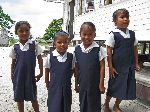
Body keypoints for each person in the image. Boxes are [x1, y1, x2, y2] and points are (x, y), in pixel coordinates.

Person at [104, 8, 140, 112]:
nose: (125, 19)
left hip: (128, 66)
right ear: (115, 21)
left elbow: (135, 49)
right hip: (117, 67)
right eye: (122, 17)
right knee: (113, 86)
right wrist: (110, 67)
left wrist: (136, 63)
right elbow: (109, 51)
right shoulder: (113, 34)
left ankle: (116, 105)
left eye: (127, 17)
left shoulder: (132, 34)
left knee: (125, 86)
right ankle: (106, 104)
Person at [9, 21, 43, 112]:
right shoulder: (14, 47)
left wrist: (41, 73)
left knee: (33, 96)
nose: (24, 33)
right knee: (19, 97)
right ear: (16, 32)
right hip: (18, 76)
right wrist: (12, 75)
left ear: (29, 31)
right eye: (21, 31)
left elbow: (40, 59)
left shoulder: (34, 45)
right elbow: (13, 63)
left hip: (30, 76)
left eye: (27, 30)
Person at [74, 22, 106, 112]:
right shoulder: (77, 49)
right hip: (83, 83)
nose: (87, 37)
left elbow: (102, 67)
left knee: (94, 103)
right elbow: (76, 68)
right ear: (79, 34)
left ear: (94, 35)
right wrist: (76, 83)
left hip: (94, 84)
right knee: (83, 102)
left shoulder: (99, 49)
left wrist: (101, 84)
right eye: (84, 34)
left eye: (90, 34)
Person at [44, 30, 74, 112]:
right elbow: (47, 70)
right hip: (54, 87)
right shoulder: (50, 57)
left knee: (66, 105)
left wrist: (67, 79)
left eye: (65, 42)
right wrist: (47, 83)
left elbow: (72, 70)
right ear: (54, 44)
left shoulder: (71, 57)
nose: (62, 45)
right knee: (54, 105)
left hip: (66, 87)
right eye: (59, 42)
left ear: (68, 43)